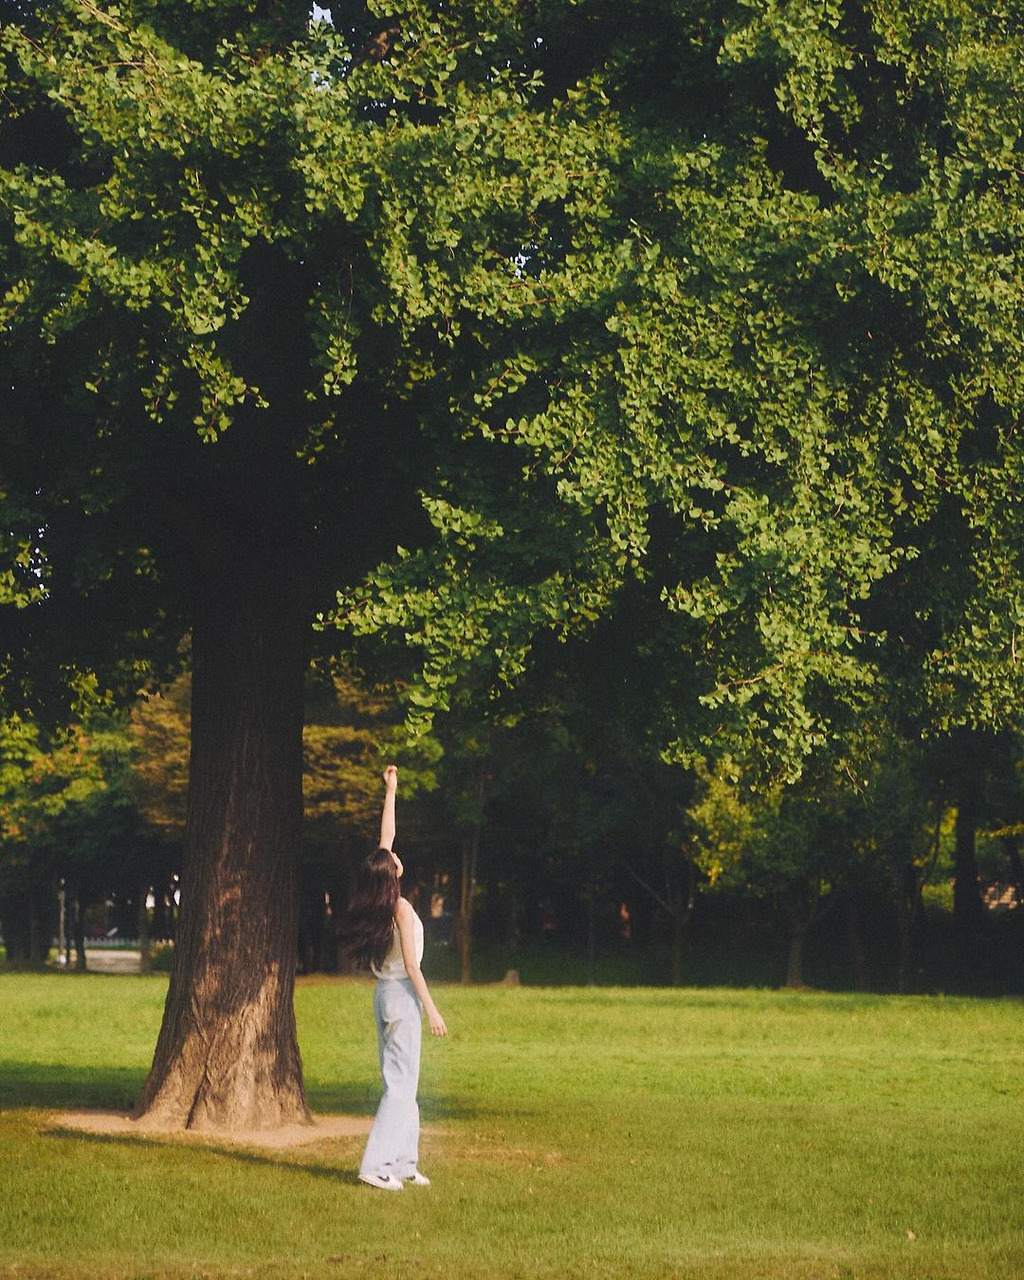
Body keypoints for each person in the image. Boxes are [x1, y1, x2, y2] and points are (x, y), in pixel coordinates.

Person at [344, 764, 447, 1191]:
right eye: (393, 859)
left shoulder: (379, 900)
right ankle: (376, 1164)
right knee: (401, 1086)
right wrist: (434, 1009)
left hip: (385, 996)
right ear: (392, 874)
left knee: (406, 1081)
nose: (395, 853)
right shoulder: (399, 910)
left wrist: (391, 790)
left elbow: (385, 839)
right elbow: (412, 967)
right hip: (401, 997)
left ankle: (405, 1162)